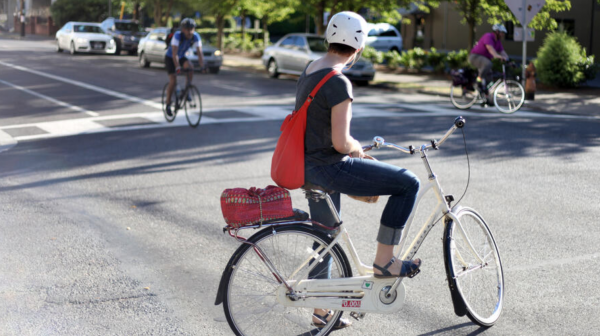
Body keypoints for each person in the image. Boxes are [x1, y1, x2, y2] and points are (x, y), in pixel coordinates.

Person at [299, 11, 421, 330]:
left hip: (308, 168)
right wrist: (357, 148)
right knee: (408, 183)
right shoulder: (339, 81)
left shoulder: (310, 69)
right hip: (330, 168)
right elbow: (340, 142)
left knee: (325, 240)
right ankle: (385, 262)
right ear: (359, 48)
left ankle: (321, 314)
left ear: (328, 39)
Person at [164, 18, 204, 117]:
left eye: (192, 29)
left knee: (190, 67)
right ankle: (168, 104)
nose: (190, 31)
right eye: (187, 29)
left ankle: (187, 90)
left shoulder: (195, 36)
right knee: (173, 81)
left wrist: (202, 66)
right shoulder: (177, 36)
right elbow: (174, 54)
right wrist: (177, 67)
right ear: (183, 29)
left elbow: (200, 53)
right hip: (170, 57)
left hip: (181, 57)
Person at [469, 24, 510, 95]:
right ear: (497, 31)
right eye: (502, 33)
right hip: (475, 57)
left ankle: (485, 97)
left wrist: (508, 60)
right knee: (488, 64)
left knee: (490, 79)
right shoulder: (488, 36)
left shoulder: (498, 42)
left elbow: (503, 52)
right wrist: (498, 56)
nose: (503, 35)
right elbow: (490, 49)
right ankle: (478, 81)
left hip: (484, 59)